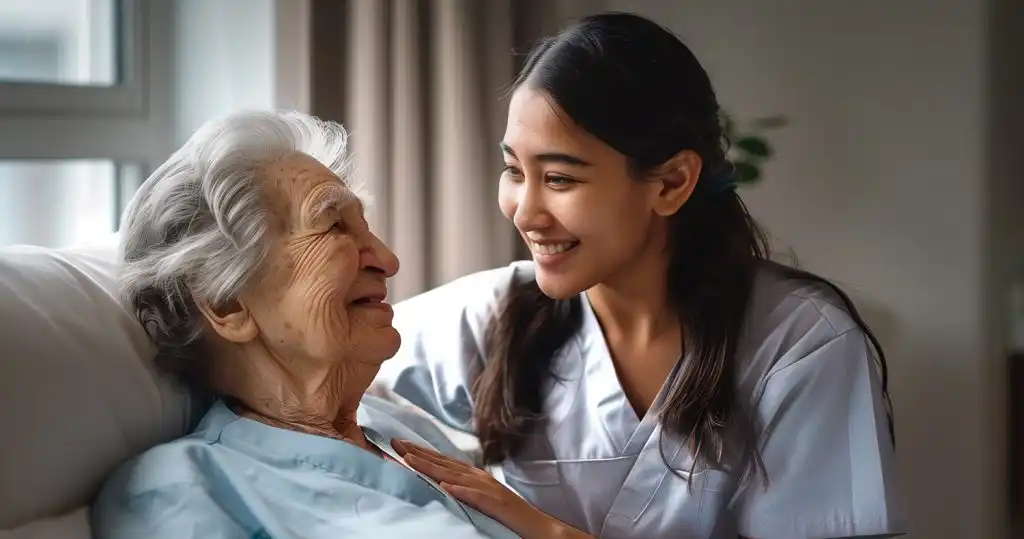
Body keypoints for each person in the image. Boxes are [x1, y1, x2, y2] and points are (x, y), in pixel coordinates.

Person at [375, 12, 908, 539]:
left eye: (559, 178)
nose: (524, 212)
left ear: (672, 182)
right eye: (515, 171)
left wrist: (544, 531)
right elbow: (318, 359)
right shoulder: (498, 311)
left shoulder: (799, 345)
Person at [90, 110, 518, 539]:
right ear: (227, 305)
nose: (387, 261)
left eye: (364, 228)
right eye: (334, 227)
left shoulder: (400, 431)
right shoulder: (181, 492)